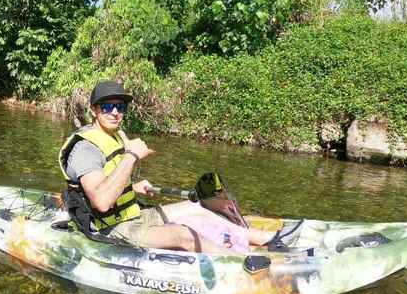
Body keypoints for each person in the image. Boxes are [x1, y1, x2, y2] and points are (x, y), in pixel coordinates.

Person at [59, 80, 280, 254]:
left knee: (197, 207)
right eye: (107, 107)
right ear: (94, 110)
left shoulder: (115, 135)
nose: (115, 112)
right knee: (181, 234)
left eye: (121, 106)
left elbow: (110, 176)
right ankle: (237, 262)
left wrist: (133, 188)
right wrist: (131, 156)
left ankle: (261, 238)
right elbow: (101, 201)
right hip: (109, 228)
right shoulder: (85, 149)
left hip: (132, 214)